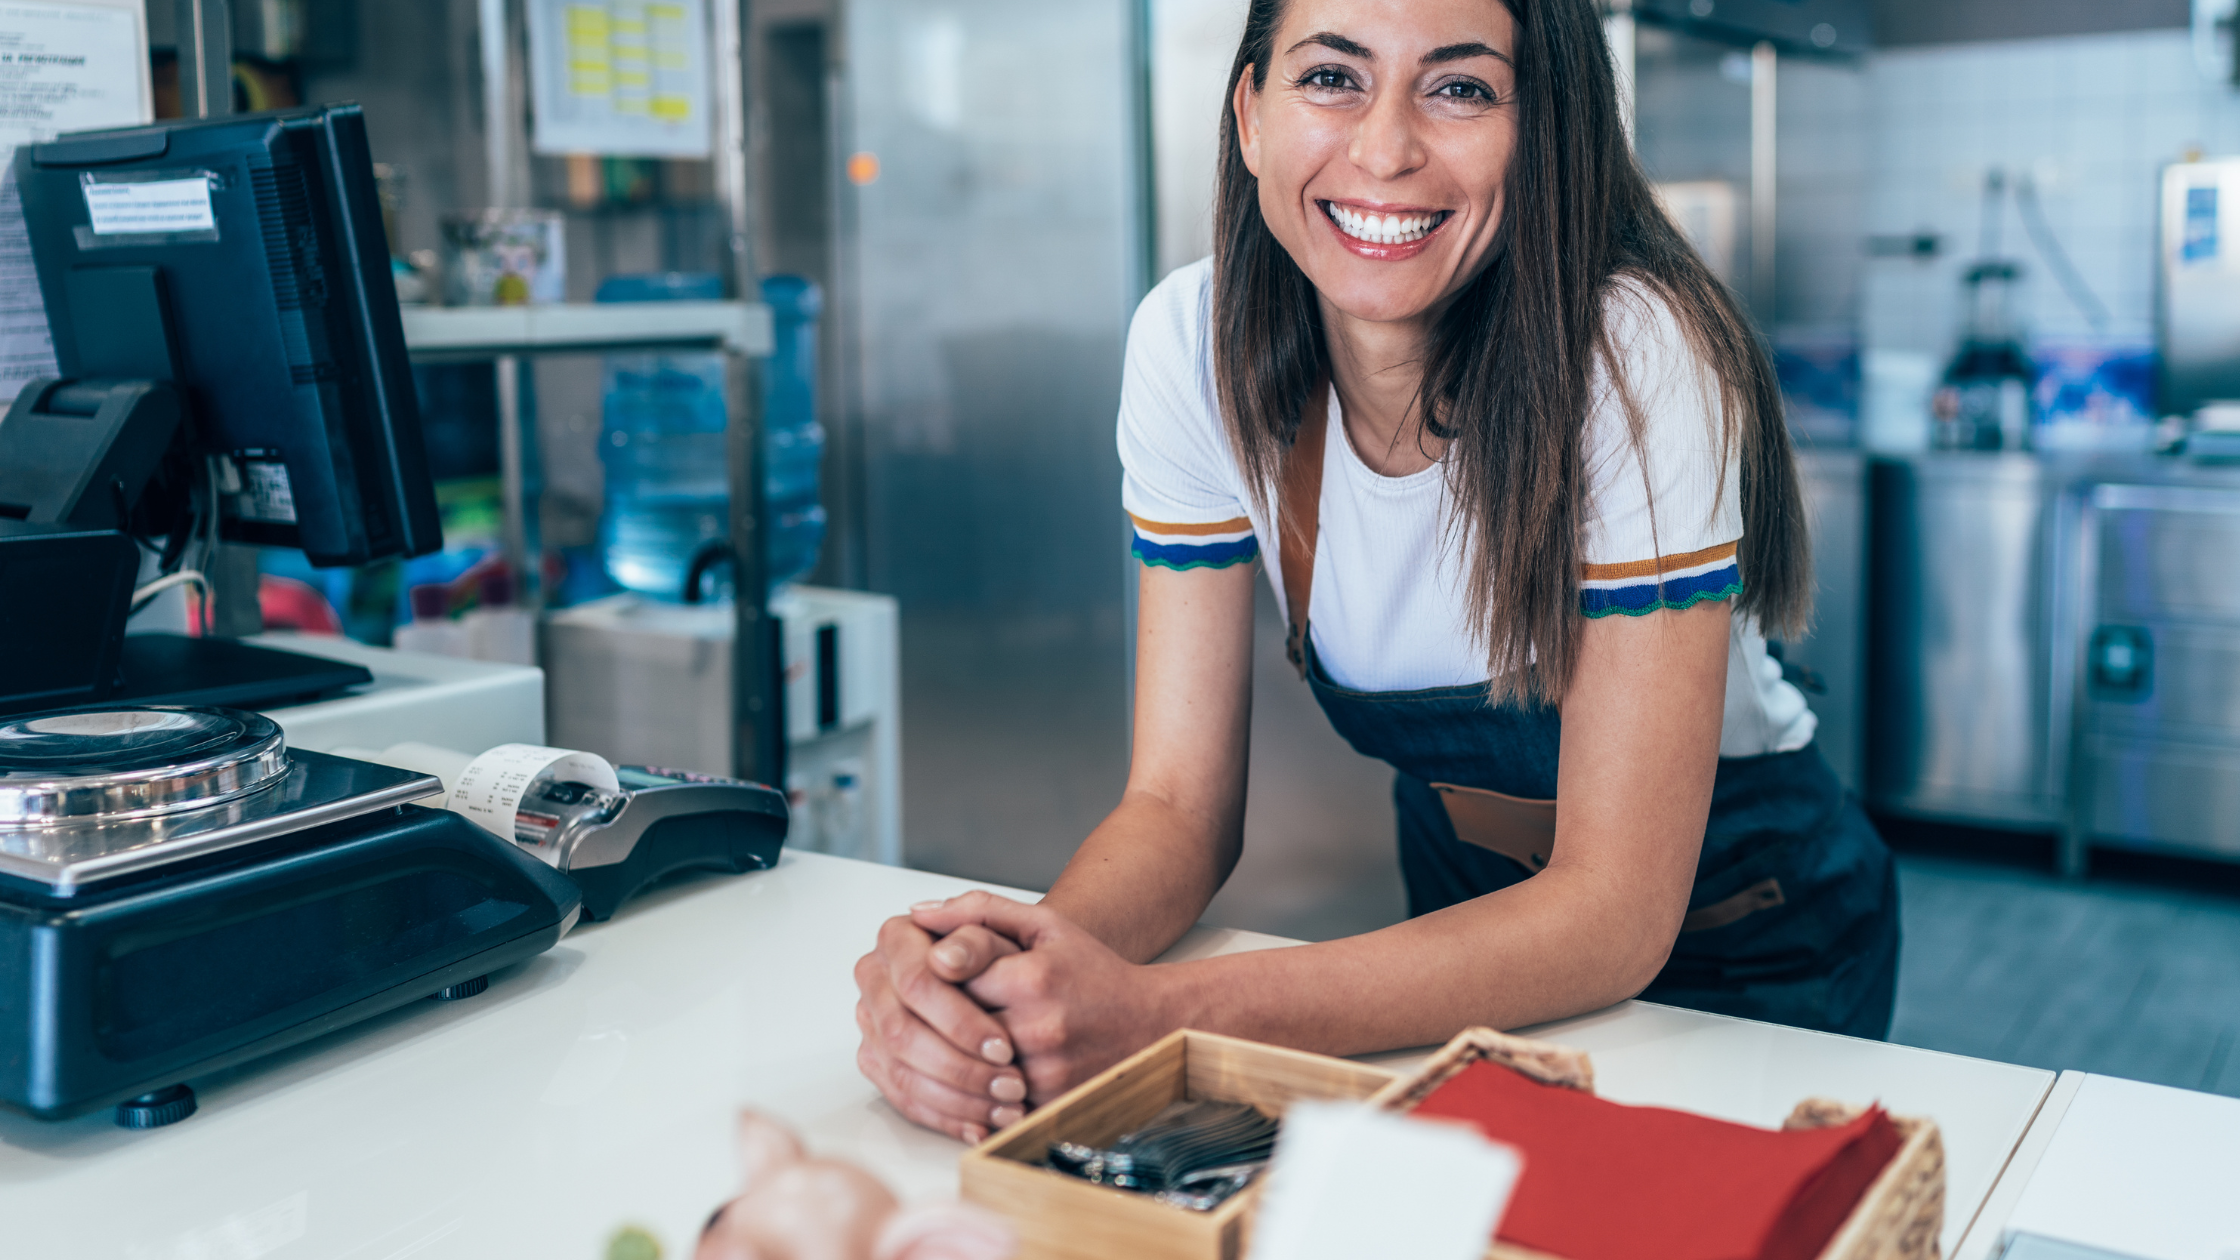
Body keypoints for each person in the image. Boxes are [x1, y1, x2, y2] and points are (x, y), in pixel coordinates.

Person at [853, 0, 1899, 1144]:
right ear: (1249, 114)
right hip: (1462, 942)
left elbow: (1612, 911)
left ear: (1542, 130)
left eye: (1457, 88)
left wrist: (1160, 1016)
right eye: (1330, 79)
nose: (1385, 148)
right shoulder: (1192, 350)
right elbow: (1173, 808)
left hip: (1741, 945)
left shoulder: (1633, 356)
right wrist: (1017, 978)